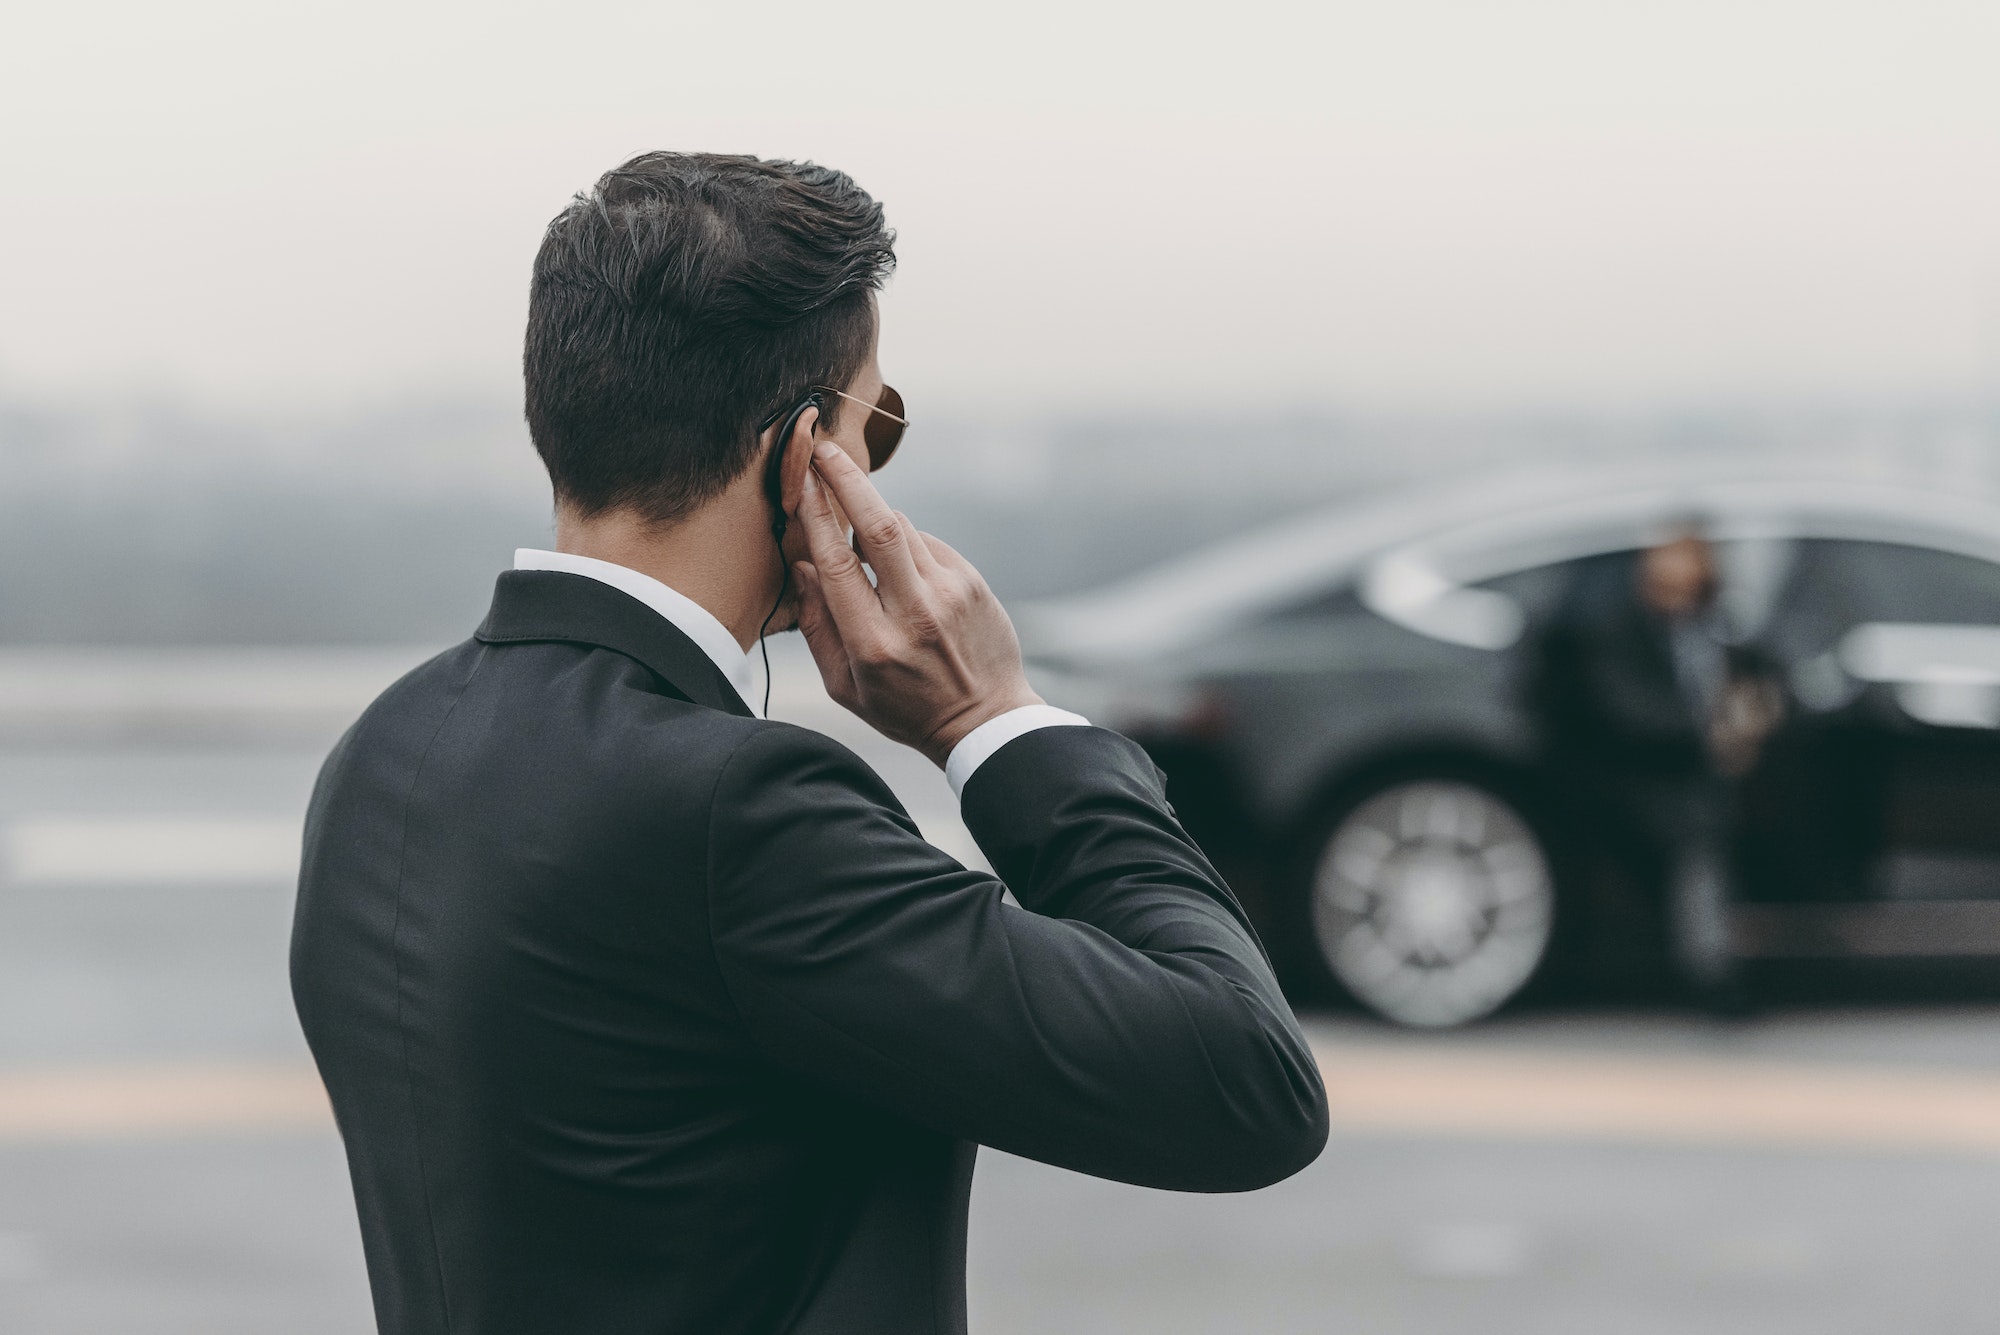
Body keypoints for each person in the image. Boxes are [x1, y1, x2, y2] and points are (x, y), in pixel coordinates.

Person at [289, 151, 1327, 1335]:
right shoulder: (738, 811)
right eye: (873, 424)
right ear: (802, 456)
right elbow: (1243, 1087)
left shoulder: (381, 753)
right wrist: (995, 723)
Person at [1530, 524, 1781, 1008]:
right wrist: (1711, 736)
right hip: (1633, 775)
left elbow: (1758, 679)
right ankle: (1709, 971)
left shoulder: (1715, 624)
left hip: (1702, 772)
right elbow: (1625, 710)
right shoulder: (1613, 623)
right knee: (1699, 835)